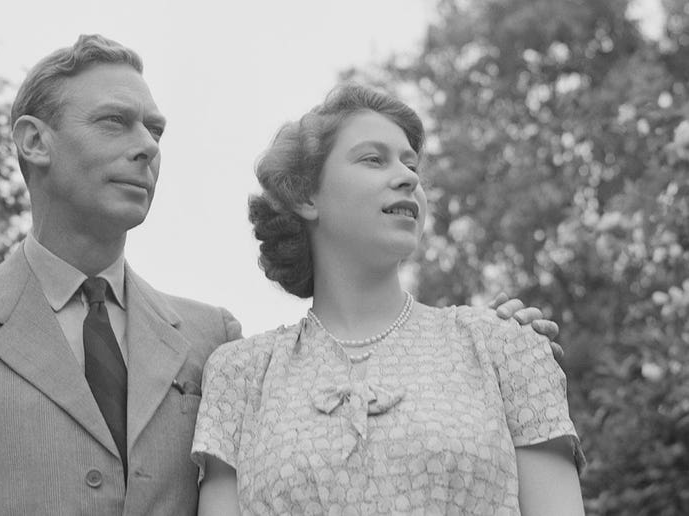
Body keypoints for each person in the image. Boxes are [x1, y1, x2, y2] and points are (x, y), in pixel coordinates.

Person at [0, 35, 561, 515]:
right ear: (34, 142)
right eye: (115, 123)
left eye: (154, 132)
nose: (145, 149)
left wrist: (493, 345)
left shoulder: (210, 341)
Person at [192, 83, 585, 515]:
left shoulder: (507, 347)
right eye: (373, 159)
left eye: (411, 164)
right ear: (305, 194)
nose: (409, 177)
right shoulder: (240, 376)